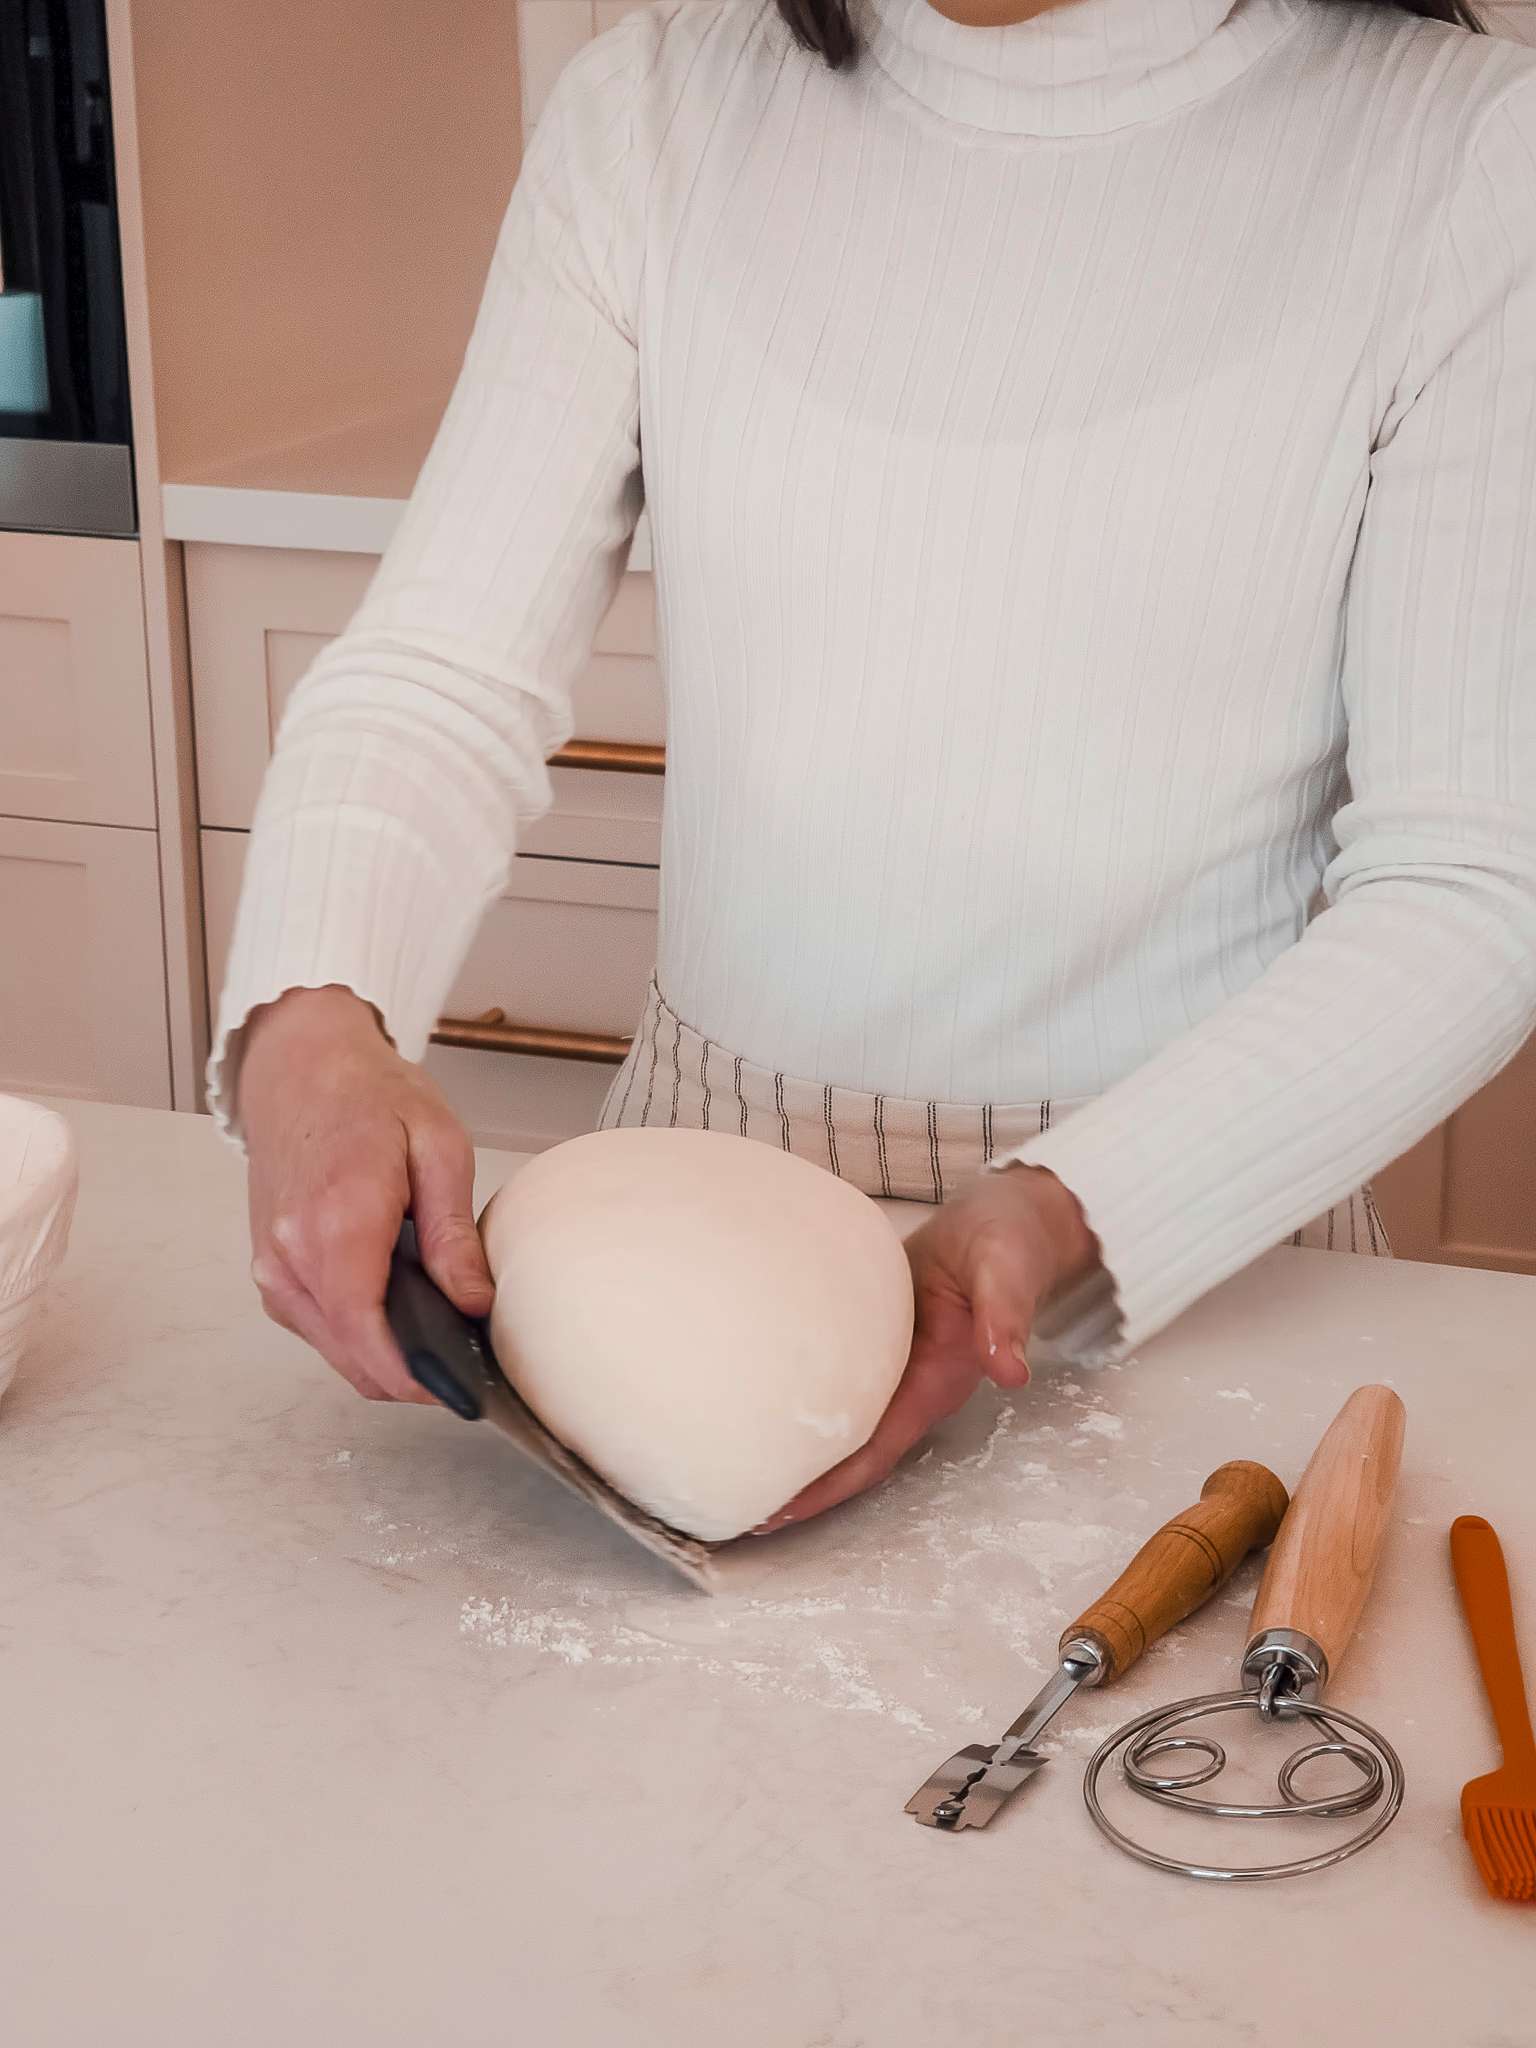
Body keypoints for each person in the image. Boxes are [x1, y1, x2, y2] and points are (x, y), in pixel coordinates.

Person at [216, 0, 1536, 1531]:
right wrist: (307, 1024)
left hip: (1192, 1264)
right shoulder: (651, 111)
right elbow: (435, 676)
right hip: (680, 1248)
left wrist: (1059, 1210)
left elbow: (1470, 882)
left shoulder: (1468, 156)